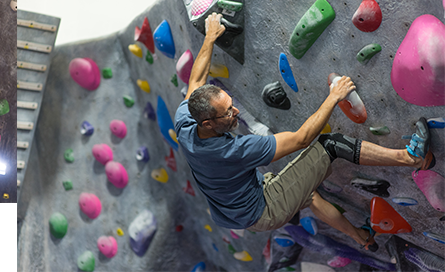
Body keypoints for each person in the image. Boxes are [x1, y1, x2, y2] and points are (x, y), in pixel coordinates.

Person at [174, 13, 433, 250]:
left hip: (239, 211)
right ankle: (412, 158)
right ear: (207, 123)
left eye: (232, 105)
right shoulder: (232, 151)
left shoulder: (187, 121)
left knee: (308, 195)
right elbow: (302, 139)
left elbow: (196, 82)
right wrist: (334, 96)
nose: (236, 113)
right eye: (228, 112)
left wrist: (209, 38)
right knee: (330, 145)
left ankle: (361, 238)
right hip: (264, 209)